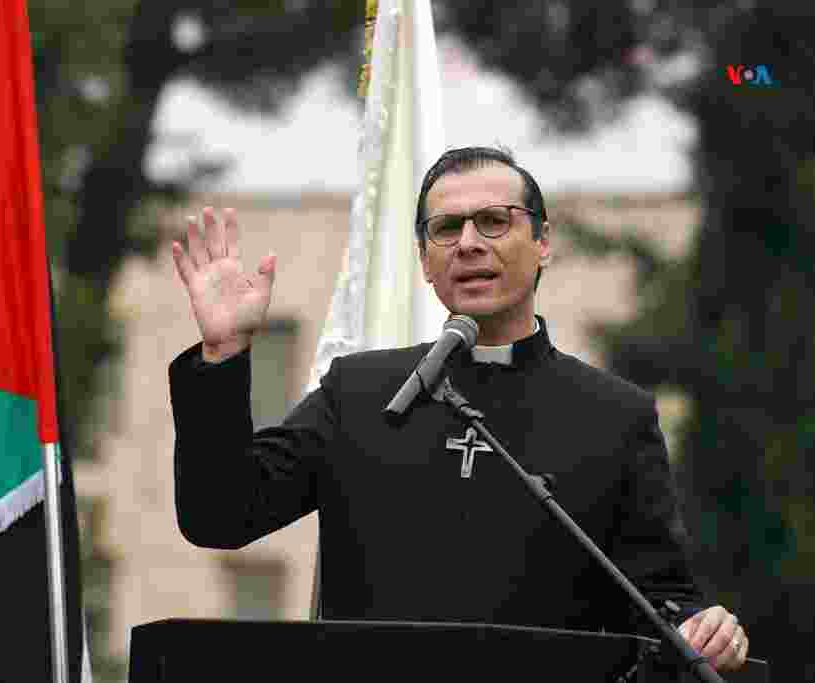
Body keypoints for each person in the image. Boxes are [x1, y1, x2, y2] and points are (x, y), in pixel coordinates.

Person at [168, 146, 749, 672]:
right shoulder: (360, 392)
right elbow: (220, 513)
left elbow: (662, 604)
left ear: (543, 242)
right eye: (446, 229)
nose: (470, 242)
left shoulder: (614, 416)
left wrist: (705, 630)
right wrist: (222, 357)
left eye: (495, 221)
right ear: (424, 259)